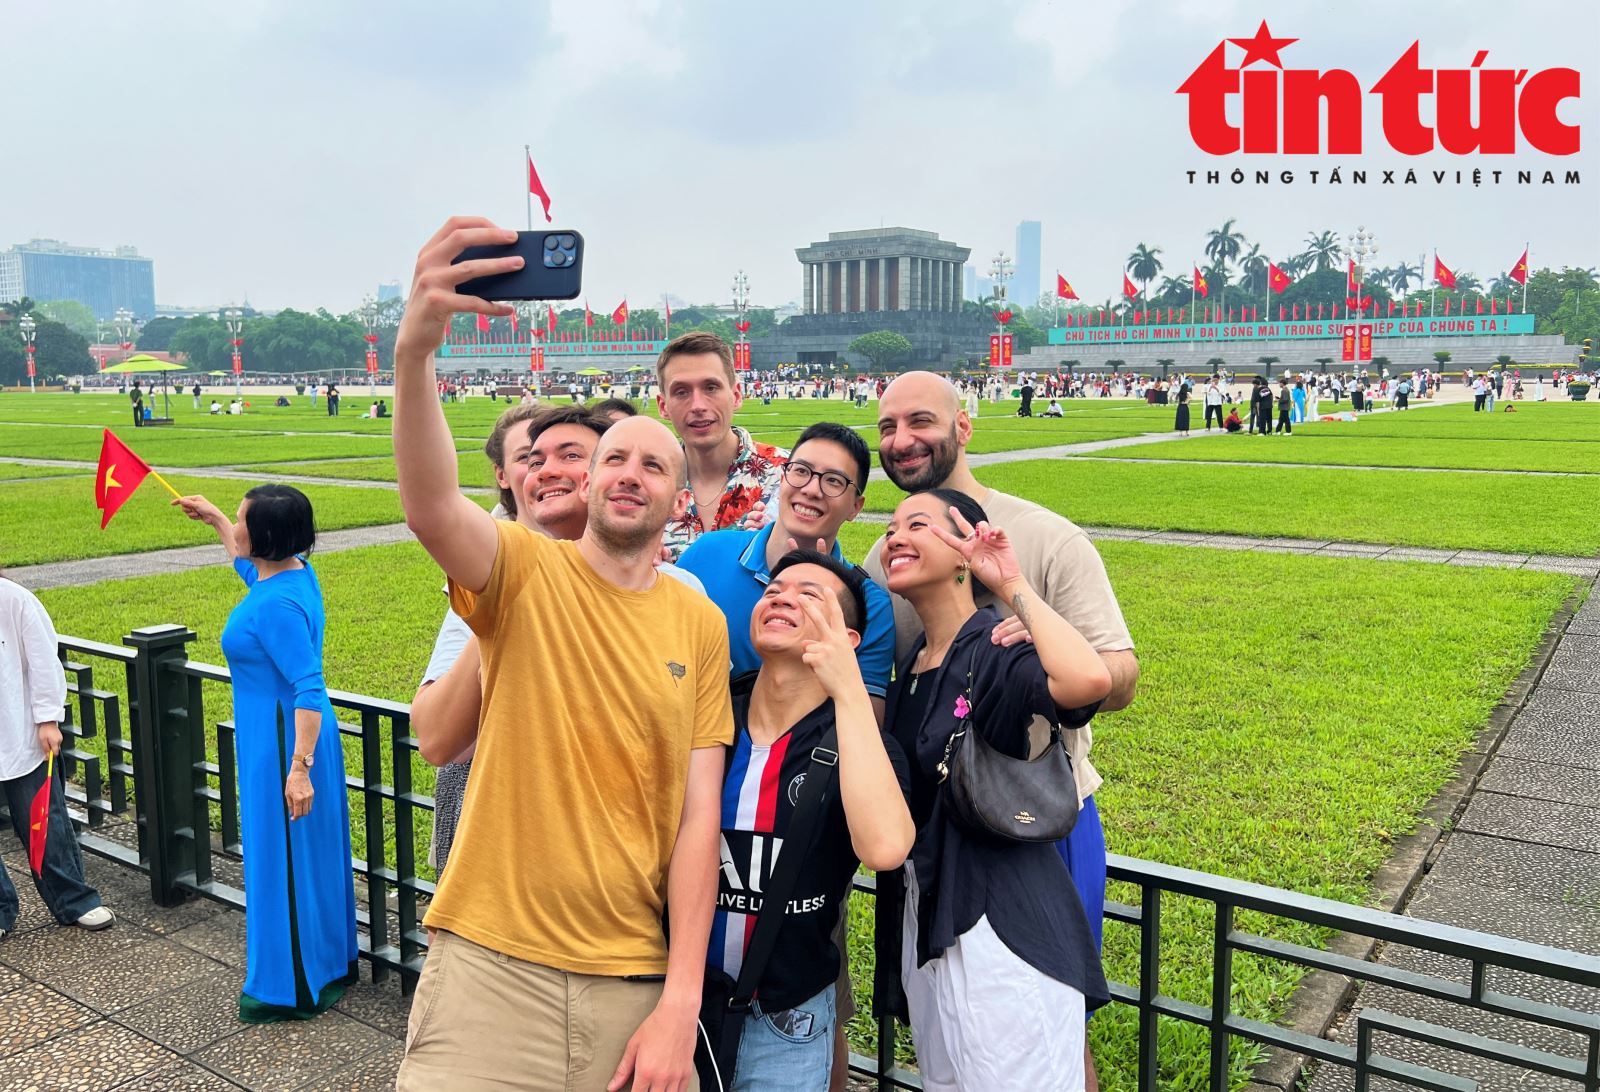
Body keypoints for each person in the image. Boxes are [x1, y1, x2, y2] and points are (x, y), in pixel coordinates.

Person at [392, 216, 730, 1090]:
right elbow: (432, 507)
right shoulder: (524, 568)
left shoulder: (697, 621)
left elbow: (698, 821)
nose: (630, 474)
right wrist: (415, 352)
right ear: (589, 480)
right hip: (489, 967)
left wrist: (680, 1002)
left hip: (631, 975)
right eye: (614, 459)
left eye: (653, 466)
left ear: (676, 499)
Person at [865, 371, 1137, 1091]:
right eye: (887, 427)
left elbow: (1110, 675)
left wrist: (1026, 624)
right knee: (956, 1056)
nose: (903, 440)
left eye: (920, 421)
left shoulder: (1043, 537)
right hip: (934, 853)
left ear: (964, 425)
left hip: (1032, 823)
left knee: (1044, 1029)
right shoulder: (883, 564)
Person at [411, 404, 705, 878]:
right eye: (533, 460)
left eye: (571, 455)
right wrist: (507, 611)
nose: (546, 471)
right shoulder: (501, 573)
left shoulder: (684, 596)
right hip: (500, 851)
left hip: (621, 868)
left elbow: (690, 767)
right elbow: (439, 741)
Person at [708, 550, 914, 1091]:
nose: (782, 598)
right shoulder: (711, 716)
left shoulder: (860, 743)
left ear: (848, 638)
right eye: (774, 591)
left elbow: (885, 847)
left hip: (787, 1014)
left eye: (809, 595)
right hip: (679, 996)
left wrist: (848, 688)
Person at [170, 486, 358, 1021]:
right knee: (307, 859)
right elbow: (249, 570)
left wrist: (298, 770)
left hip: (284, 745)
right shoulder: (293, 572)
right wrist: (213, 519)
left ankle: (289, 987)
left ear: (267, 536)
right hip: (285, 741)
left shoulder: (276, 605)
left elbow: (308, 686)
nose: (236, 526)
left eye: (241, 520)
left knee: (284, 862)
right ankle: (325, 965)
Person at [679, 421, 894, 713]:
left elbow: (867, 722)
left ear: (855, 507)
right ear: (782, 479)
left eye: (833, 481)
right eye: (801, 471)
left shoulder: (868, 604)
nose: (811, 490)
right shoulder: (707, 554)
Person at [0, 570, 114, 940]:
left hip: (18, 732)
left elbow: (44, 660)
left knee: (44, 822)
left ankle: (74, 900)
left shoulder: (14, 600)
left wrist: (48, 718)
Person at [656, 331, 788, 561]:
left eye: (711, 388)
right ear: (663, 406)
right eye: (681, 392)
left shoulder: (787, 475)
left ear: (736, 395)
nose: (697, 405)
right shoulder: (649, 482)